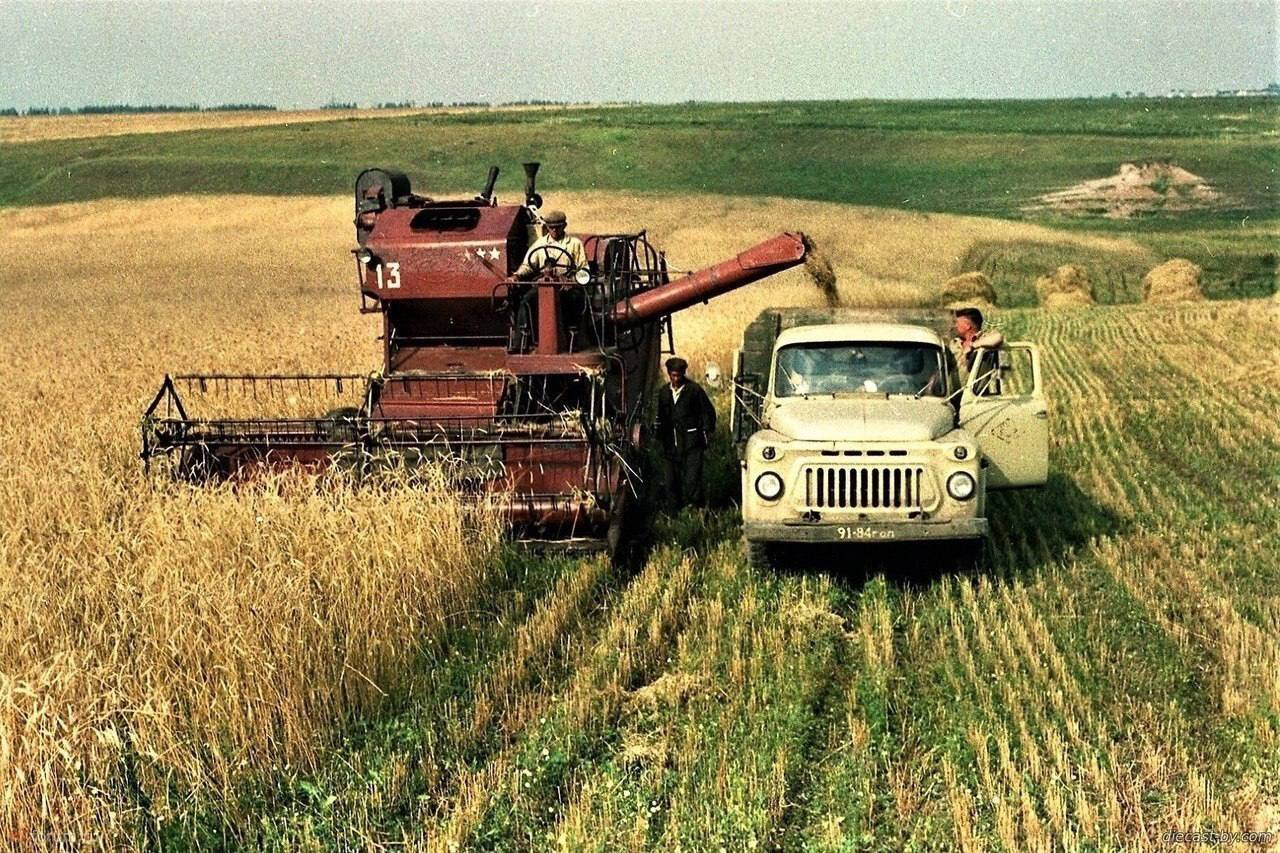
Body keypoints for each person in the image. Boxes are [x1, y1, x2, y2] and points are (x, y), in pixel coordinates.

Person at [655, 356, 717, 511]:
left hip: (692, 443)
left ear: (683, 374)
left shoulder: (694, 391)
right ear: (669, 374)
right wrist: (659, 435)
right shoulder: (663, 392)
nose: (676, 379)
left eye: (679, 375)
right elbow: (661, 417)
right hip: (670, 444)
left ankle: (696, 511)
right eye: (673, 375)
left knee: (692, 480)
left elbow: (708, 412)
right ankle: (673, 513)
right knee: (671, 481)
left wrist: (705, 431)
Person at [514, 209, 587, 280]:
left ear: (564, 225)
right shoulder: (540, 243)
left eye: (558, 227)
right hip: (544, 282)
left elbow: (583, 268)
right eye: (551, 227)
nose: (554, 230)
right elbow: (528, 266)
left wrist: (572, 280)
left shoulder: (574, 243)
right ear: (546, 227)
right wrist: (517, 275)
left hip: (568, 285)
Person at [951, 306, 1004, 380]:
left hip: (976, 390)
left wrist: (973, 345)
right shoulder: (954, 343)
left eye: (957, 323)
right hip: (954, 391)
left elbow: (998, 337)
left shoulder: (984, 338)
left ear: (967, 326)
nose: (955, 326)